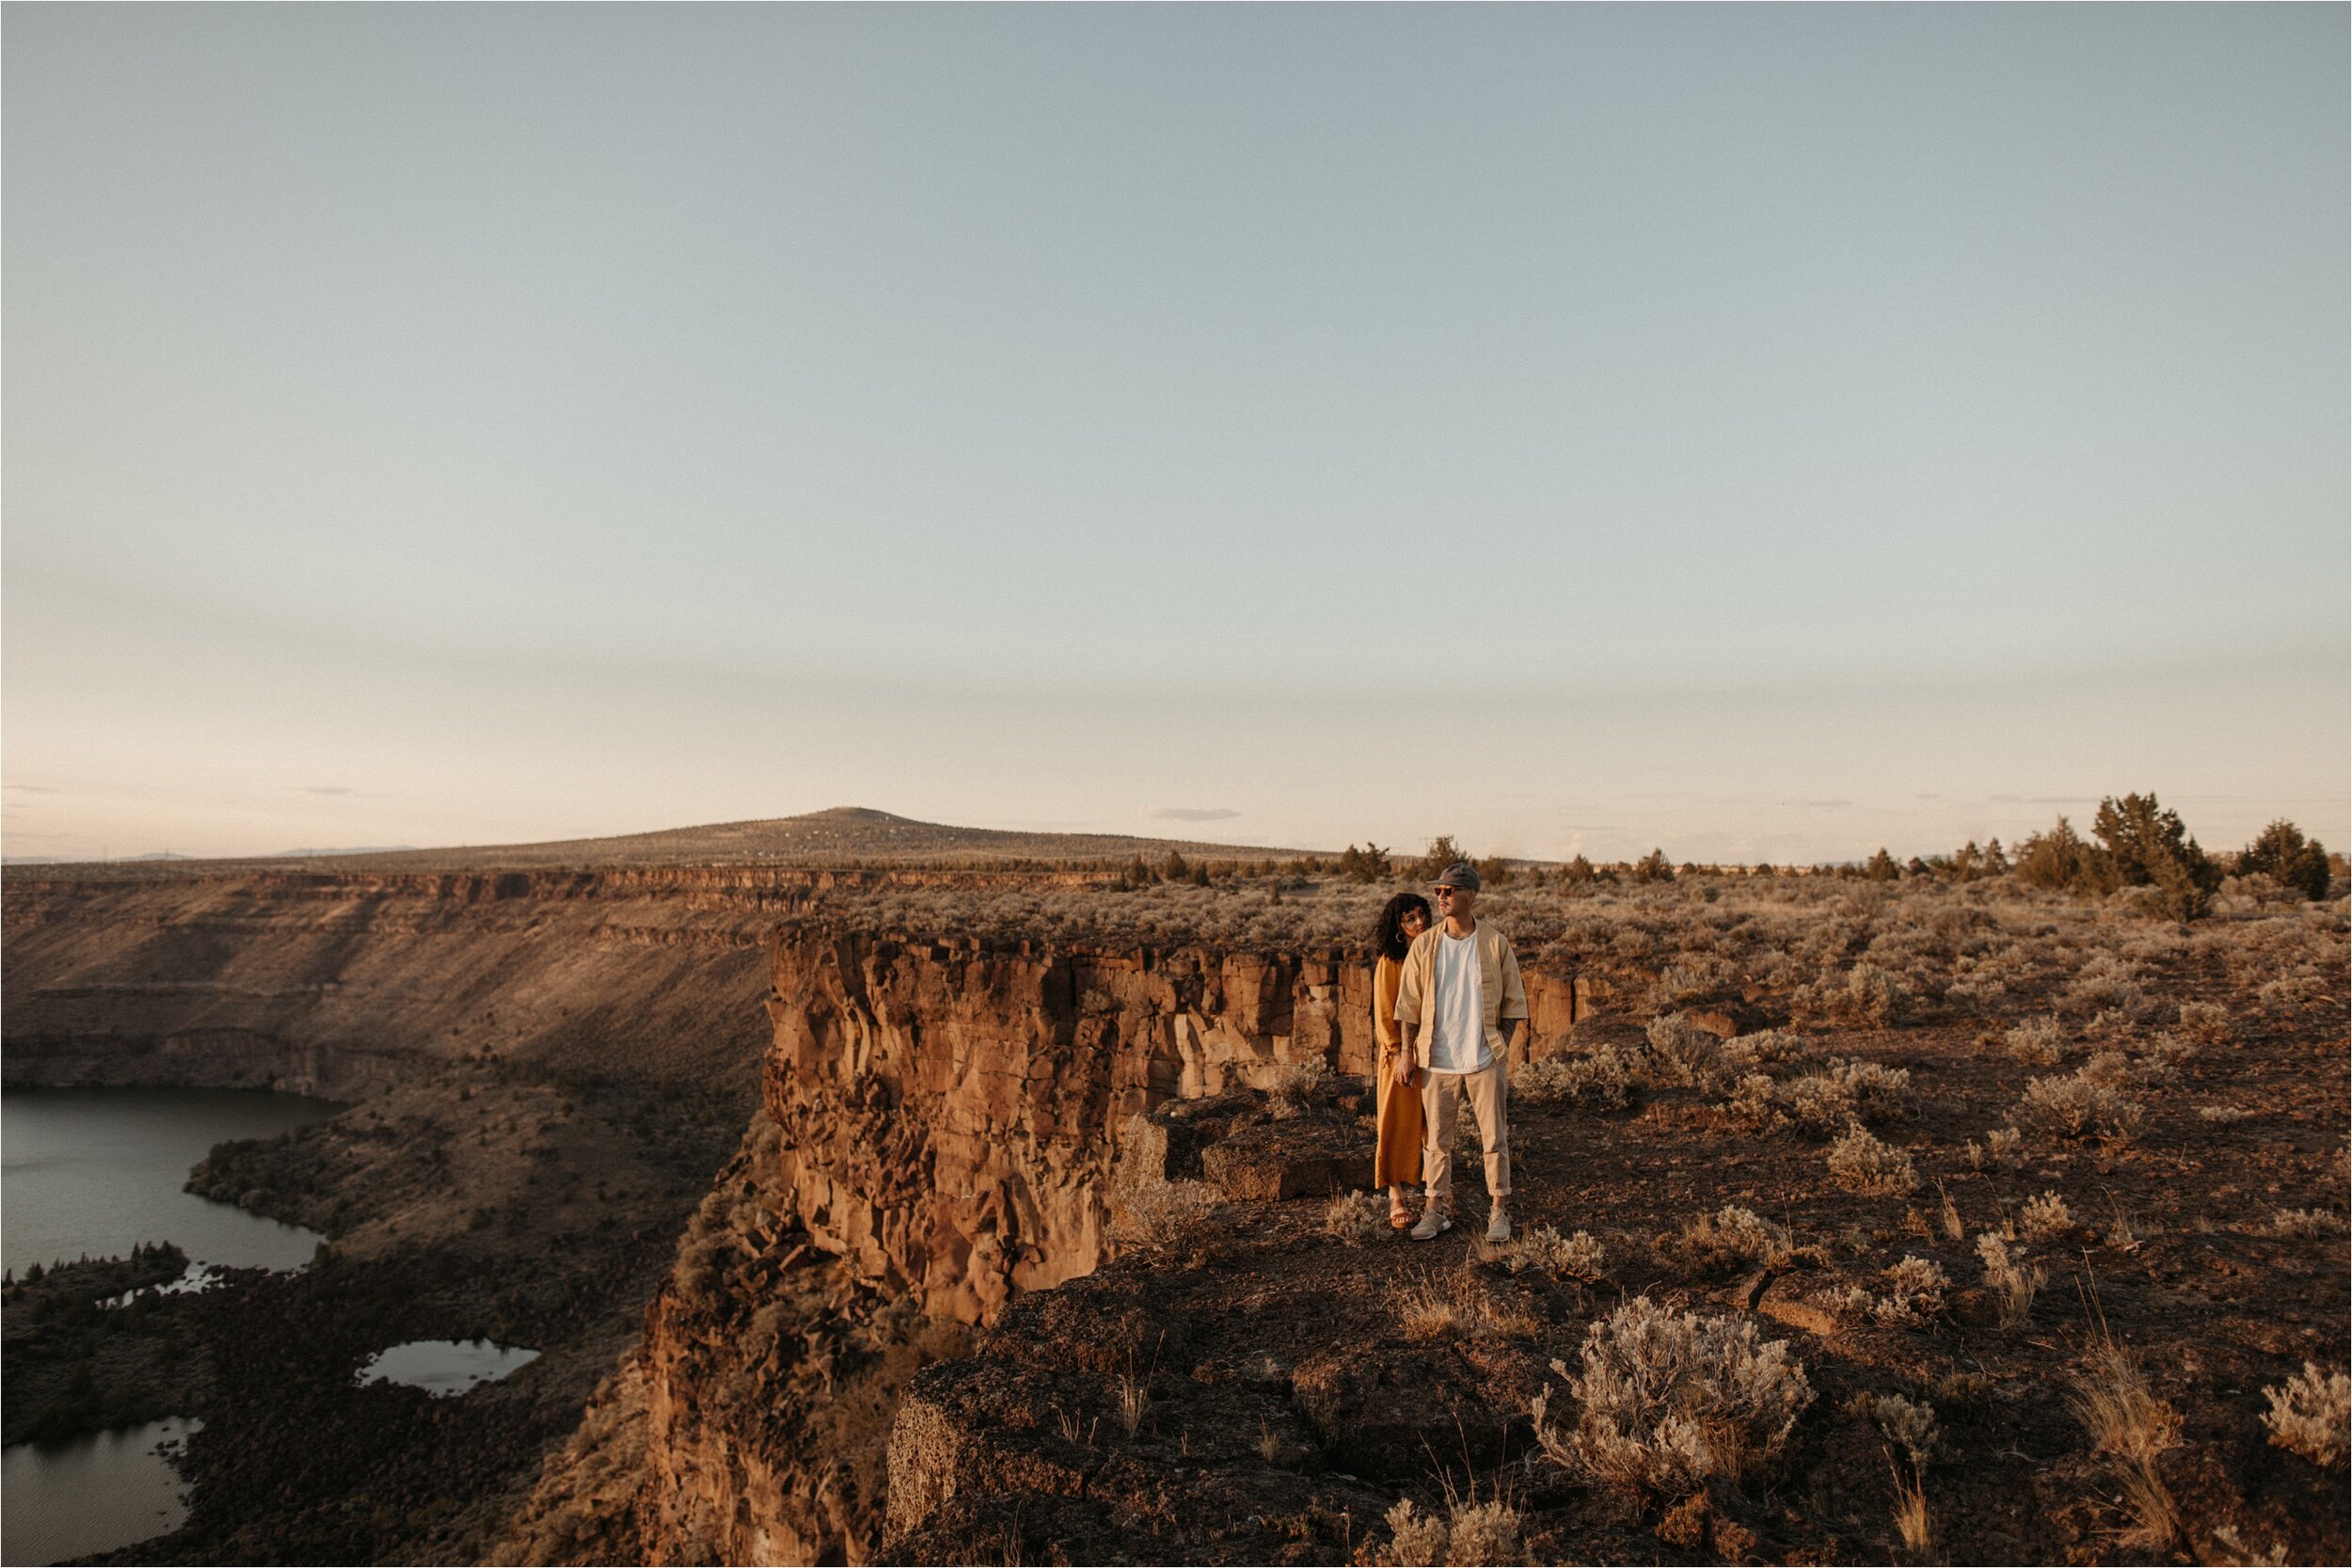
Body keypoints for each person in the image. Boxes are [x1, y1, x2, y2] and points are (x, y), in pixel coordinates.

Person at [1392, 861, 1527, 1243]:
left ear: (1471, 895)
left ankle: (1499, 1211)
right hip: (1437, 1059)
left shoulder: (1494, 942)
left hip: (1485, 1059)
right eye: (1438, 891)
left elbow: (1514, 1003)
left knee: (1494, 1138)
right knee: (1437, 1140)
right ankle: (1435, 1210)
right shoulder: (1425, 947)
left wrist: (1498, 1042)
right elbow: (1408, 1007)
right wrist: (1406, 1053)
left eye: (1449, 891)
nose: (1441, 897)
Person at [1370, 892, 1433, 1229]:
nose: (1420, 922)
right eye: (1410, 918)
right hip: (1400, 1056)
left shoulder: (1432, 953)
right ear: (1398, 926)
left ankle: (1433, 1190)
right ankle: (1395, 1193)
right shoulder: (1390, 963)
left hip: (1434, 1053)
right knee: (1395, 1123)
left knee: (1431, 1125)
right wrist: (1398, 1055)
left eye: (1422, 914)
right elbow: (1384, 1015)